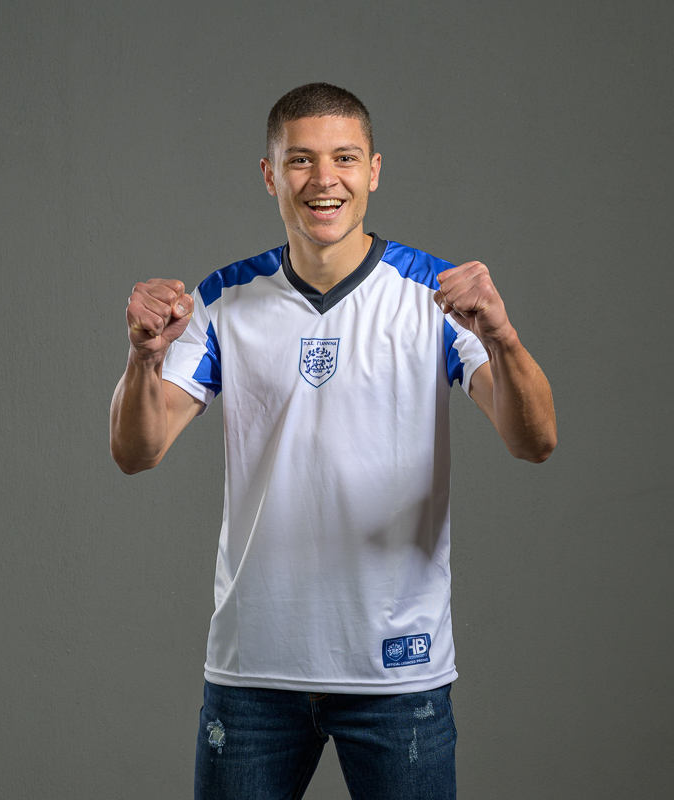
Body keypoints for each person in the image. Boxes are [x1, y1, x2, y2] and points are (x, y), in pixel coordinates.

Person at [110, 82, 556, 800]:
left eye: (344, 158)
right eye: (301, 160)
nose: (325, 179)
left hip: (396, 672)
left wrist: (503, 338)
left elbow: (533, 439)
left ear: (373, 170)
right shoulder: (223, 299)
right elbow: (138, 450)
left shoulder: (436, 295)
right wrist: (143, 359)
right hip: (253, 672)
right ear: (269, 174)